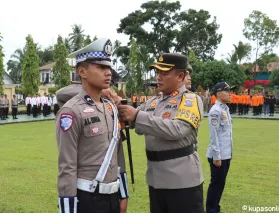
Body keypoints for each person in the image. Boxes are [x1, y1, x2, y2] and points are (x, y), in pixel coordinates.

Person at [118, 53, 204, 213]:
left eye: (164, 73)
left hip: (182, 181)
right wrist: (114, 101)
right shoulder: (153, 102)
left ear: (180, 76)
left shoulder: (190, 100)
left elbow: (178, 129)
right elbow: (129, 118)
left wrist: (137, 116)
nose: (158, 77)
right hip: (156, 179)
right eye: (157, 72)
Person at [55, 38, 129, 213]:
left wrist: (123, 193)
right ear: (82, 71)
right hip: (87, 199)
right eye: (101, 67)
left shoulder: (110, 108)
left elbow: (118, 155)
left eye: (108, 67)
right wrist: (68, 210)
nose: (108, 72)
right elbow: (67, 166)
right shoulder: (71, 111)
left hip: (113, 195)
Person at [206, 82, 233, 213]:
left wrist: (230, 153)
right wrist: (217, 156)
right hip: (218, 155)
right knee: (216, 184)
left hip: (225, 154)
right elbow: (214, 135)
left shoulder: (225, 109)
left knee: (221, 184)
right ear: (218, 93)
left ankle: (215, 207)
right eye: (227, 91)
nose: (230, 93)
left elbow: (228, 134)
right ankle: (211, 209)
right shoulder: (215, 111)